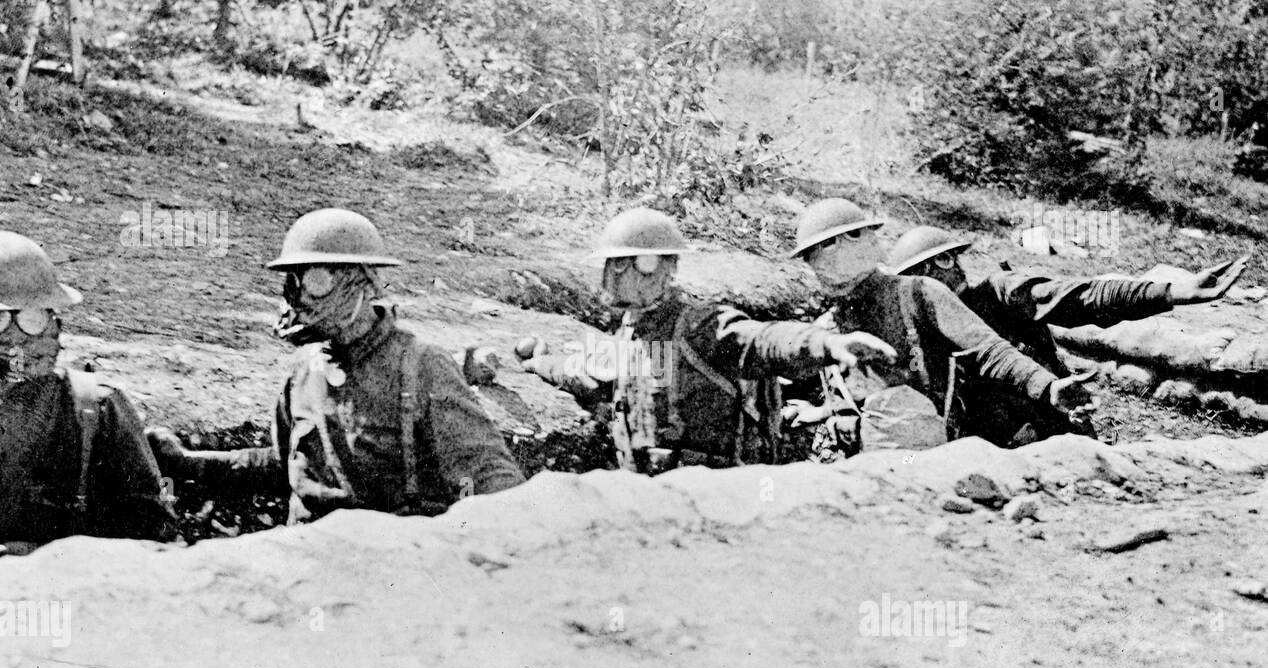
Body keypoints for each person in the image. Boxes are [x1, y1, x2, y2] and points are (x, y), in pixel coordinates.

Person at [149, 208, 525, 524]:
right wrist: (189, 464)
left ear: (361, 282)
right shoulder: (303, 373)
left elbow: (490, 478)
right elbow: (284, 469)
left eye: (315, 280)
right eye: (292, 282)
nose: (298, 298)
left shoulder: (422, 367)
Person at [520, 207, 897, 474]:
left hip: (716, 494)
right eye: (612, 265)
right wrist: (540, 362)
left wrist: (827, 345)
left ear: (659, 268)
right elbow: (588, 374)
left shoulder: (700, 325)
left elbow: (763, 341)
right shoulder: (631, 333)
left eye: (626, 264)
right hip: (649, 493)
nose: (613, 276)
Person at [886, 224, 1247, 445]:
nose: (957, 268)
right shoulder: (921, 333)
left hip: (1051, 430)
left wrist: (1171, 292)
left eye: (952, 258)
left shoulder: (999, 294)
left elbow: (1083, 297)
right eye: (943, 262)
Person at [786, 199, 1096, 454]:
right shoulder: (827, 327)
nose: (820, 262)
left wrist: (1047, 386)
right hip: (859, 467)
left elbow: (988, 350)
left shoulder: (918, 293)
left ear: (863, 241)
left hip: (925, 460)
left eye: (829, 246)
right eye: (811, 256)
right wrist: (819, 412)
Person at [0, 231, 176, 560]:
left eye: (32, 319)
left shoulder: (94, 408)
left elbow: (155, 533)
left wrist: (47, 558)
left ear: (53, 322)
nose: (14, 339)